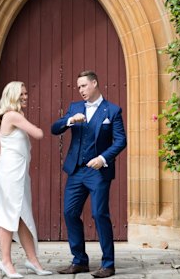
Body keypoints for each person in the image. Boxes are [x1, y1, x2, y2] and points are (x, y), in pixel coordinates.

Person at [51, 70, 127, 278]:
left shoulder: (112, 111)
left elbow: (120, 141)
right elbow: (54, 128)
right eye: (78, 88)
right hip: (76, 171)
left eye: (84, 86)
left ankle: (108, 264)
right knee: (69, 212)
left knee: (99, 213)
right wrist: (70, 121)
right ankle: (79, 261)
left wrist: (102, 158)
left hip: (98, 172)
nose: (81, 90)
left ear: (94, 83)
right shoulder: (74, 108)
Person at [0, 81, 52, 278]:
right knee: (8, 216)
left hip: (17, 173)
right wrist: (12, 161)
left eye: (26, 94)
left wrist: (15, 158)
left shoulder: (11, 117)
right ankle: (6, 262)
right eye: (22, 94)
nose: (25, 97)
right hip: (10, 175)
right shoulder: (12, 116)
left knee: (22, 217)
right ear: (12, 96)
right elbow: (38, 133)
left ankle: (32, 260)